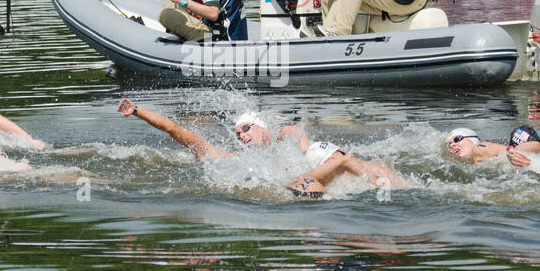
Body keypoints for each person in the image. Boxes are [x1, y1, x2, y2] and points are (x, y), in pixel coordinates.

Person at [115, 99, 403, 196]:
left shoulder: (289, 140)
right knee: (342, 162)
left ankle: (397, 186)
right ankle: (399, 191)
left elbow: (299, 138)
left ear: (263, 126)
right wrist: (138, 111)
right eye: (236, 133)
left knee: (347, 158)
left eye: (245, 128)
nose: (240, 135)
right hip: (292, 191)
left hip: (306, 187)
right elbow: (176, 130)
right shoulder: (225, 158)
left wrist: (282, 134)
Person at [445, 126, 540, 168]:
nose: (452, 145)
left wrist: (510, 152)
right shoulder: (472, 163)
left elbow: (536, 145)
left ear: (472, 139)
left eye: (457, 139)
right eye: (449, 144)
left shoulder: (479, 148)